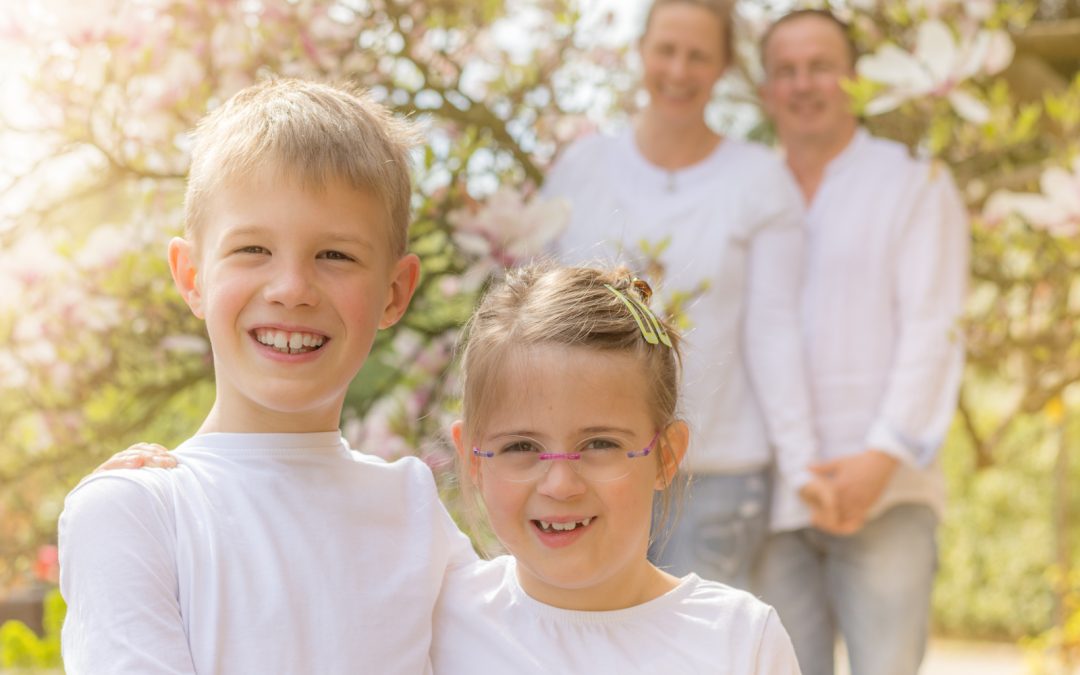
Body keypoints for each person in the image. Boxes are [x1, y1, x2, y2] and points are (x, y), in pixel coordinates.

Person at [98, 263, 803, 674]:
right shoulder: (438, 607)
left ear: (666, 456)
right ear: (472, 457)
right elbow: (291, 577)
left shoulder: (738, 640)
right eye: (523, 446)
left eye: (600, 444)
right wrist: (189, 475)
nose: (560, 480)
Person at [57, 78, 476, 673]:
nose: (291, 290)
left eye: (335, 255)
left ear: (395, 291)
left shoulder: (412, 508)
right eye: (252, 249)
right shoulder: (137, 514)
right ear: (192, 276)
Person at [545, 0, 822, 589]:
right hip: (585, 468)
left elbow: (776, 335)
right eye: (666, 50)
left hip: (714, 475)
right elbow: (532, 320)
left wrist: (802, 470)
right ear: (641, 51)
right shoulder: (581, 168)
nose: (678, 69)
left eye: (699, 55)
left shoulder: (758, 179)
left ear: (722, 66)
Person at [754, 9, 970, 675]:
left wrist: (881, 454)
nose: (803, 83)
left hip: (889, 491)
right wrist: (799, 464)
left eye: (821, 66)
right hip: (774, 495)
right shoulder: (748, 188)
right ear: (766, 90)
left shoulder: (913, 182)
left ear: (855, 80)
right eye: (785, 70)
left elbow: (934, 330)